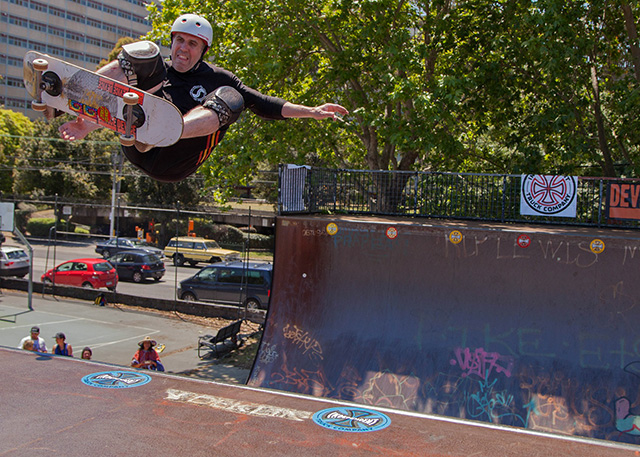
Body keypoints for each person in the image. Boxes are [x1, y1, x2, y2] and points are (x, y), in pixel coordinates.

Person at [58, 13, 349, 183]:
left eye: (192, 44)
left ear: (203, 50)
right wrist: (86, 124)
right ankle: (76, 90)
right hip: (138, 148)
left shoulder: (218, 78)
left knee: (231, 96)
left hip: (177, 161)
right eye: (179, 41)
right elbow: (123, 94)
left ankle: (166, 129)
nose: (183, 49)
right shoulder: (159, 72)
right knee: (143, 54)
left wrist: (311, 111)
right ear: (172, 41)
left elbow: (263, 103)